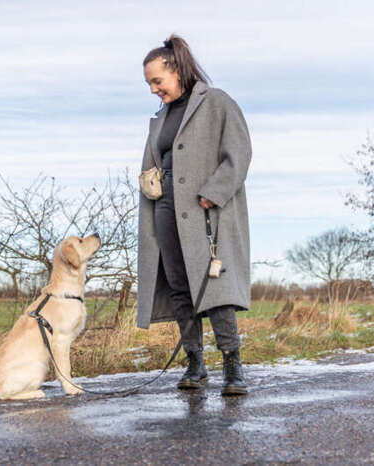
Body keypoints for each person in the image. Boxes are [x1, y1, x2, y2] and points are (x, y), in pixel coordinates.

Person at [137, 34, 252, 396]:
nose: (154, 90)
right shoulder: (160, 117)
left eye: (158, 81)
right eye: (149, 84)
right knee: (180, 288)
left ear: (177, 70)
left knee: (216, 287)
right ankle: (195, 364)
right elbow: (155, 161)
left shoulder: (216, 102)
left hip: (205, 210)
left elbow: (239, 154)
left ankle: (233, 367)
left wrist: (213, 193)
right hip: (166, 209)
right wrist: (149, 180)